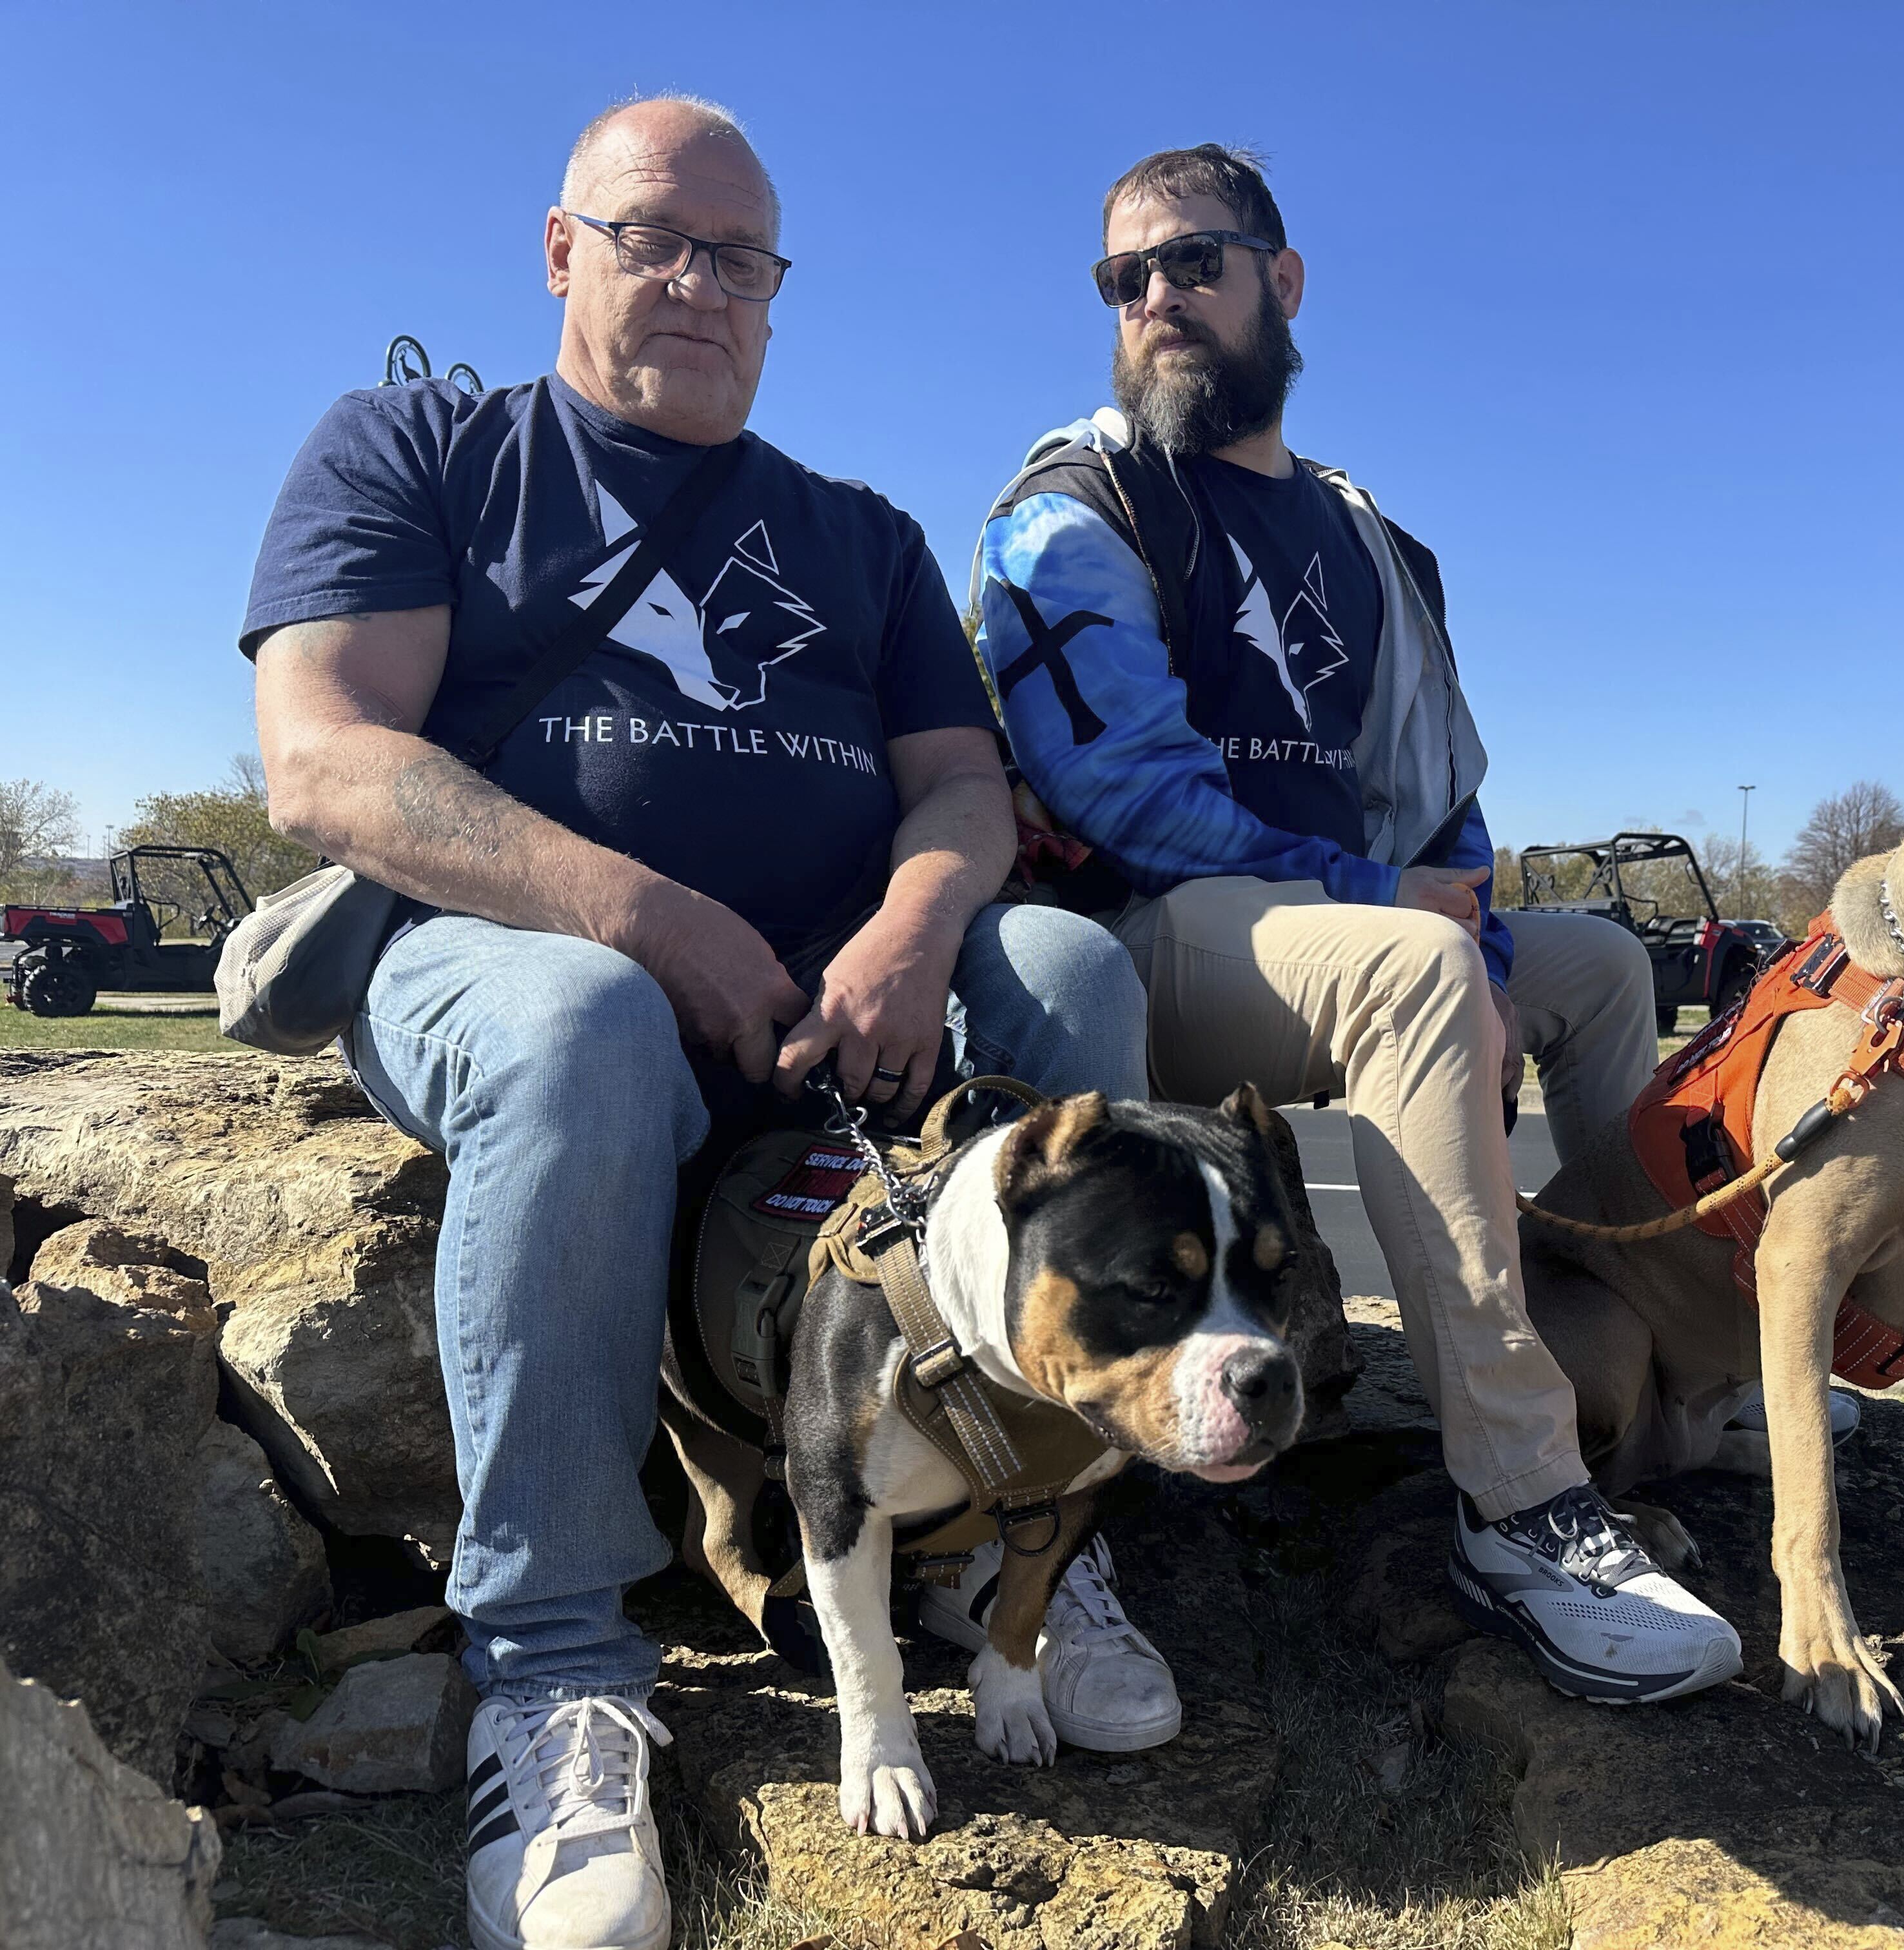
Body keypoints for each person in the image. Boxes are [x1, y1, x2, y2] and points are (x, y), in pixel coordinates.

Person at [243, 97, 1148, 1950]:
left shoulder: (861, 537)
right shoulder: (423, 449)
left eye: (743, 259)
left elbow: (962, 794)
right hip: (500, 968)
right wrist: (651, 919)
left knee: (1072, 973)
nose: (702, 286)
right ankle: (558, 1670)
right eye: (656, 238)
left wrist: (911, 927)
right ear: (560, 248)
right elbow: (326, 758)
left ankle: (1029, 1542)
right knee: (587, 1020)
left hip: (845, 1002)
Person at [972, 145, 1750, 1706]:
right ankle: (1521, 1502)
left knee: (1598, 964)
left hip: (1354, 923)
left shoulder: (1373, 538)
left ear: (1283, 279)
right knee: (1414, 969)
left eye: (1193, 262)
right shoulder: (1076, 504)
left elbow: (1438, 782)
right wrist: (1385, 903)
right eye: (1123, 281)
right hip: (1153, 933)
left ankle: (1693, 1371)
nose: (1156, 302)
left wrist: (1457, 887)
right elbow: (1116, 785)